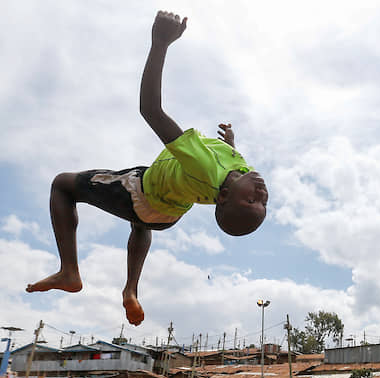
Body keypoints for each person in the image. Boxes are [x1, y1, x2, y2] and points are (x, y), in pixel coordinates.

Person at [26, 11, 268, 326]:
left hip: (140, 192)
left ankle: (69, 271)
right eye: (262, 201)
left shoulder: (203, 165)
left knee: (63, 185)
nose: (261, 194)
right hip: (168, 213)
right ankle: (130, 291)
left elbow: (150, 109)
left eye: (252, 201)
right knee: (141, 224)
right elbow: (233, 167)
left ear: (223, 196)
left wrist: (160, 43)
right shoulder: (238, 170)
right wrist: (231, 143)